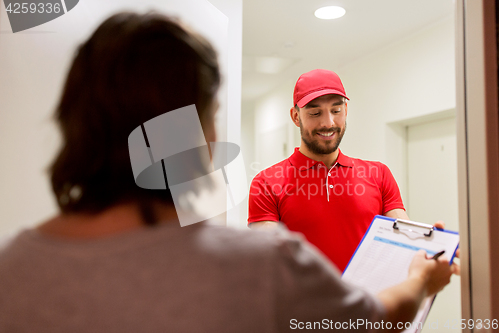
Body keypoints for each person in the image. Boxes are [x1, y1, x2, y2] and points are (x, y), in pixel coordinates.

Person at [0, 12, 454, 333]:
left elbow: (395, 236)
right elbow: (375, 320)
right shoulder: (259, 264)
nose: (329, 121)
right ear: (194, 129)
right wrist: (421, 280)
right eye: (211, 111)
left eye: (337, 109)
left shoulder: (11, 270)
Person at [248, 69, 415, 271]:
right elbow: (267, 262)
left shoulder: (378, 174)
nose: (328, 123)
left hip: (367, 301)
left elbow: (406, 239)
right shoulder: (266, 182)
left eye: (336, 111)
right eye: (315, 113)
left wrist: (433, 249)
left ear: (346, 110)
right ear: (295, 117)